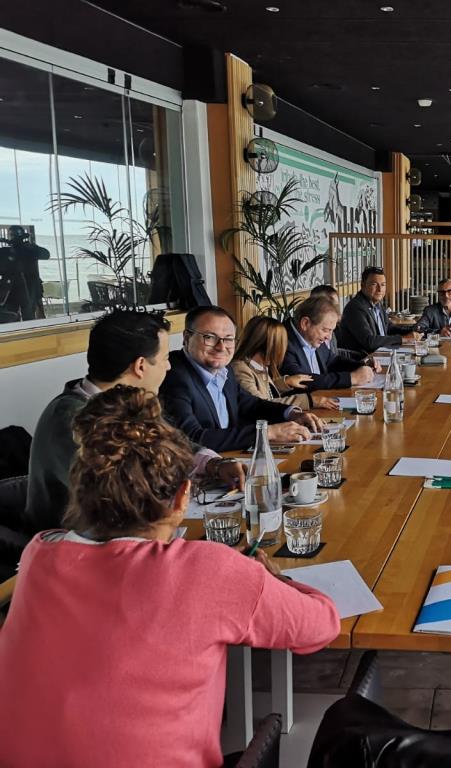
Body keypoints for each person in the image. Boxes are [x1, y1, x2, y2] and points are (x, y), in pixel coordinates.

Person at [0, 386, 340, 767]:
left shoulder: (38, 554)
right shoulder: (209, 569)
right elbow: (321, 625)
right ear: (182, 498)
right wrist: (275, 580)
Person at [24, 309, 244, 534]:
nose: (169, 367)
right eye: (165, 359)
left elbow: (176, 442)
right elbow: (119, 498)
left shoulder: (132, 404)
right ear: (140, 366)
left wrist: (214, 465)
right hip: (78, 549)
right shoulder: (72, 420)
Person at [161, 305, 321, 452]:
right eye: (209, 337)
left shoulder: (225, 370)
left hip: (232, 462)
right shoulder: (174, 377)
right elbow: (191, 438)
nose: (221, 347)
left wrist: (291, 414)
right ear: (187, 337)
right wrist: (267, 432)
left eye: (229, 339)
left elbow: (250, 404)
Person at [231, 315, 342, 410]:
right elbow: (262, 405)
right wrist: (310, 400)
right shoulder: (240, 369)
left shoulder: (260, 365)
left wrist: (286, 382)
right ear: (270, 346)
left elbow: (265, 391)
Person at [281, 296, 377, 391]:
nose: (329, 337)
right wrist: (352, 378)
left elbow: (333, 361)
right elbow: (302, 381)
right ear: (305, 323)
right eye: (326, 330)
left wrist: (361, 365)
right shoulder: (283, 341)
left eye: (331, 331)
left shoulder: (312, 335)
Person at [336, 266, 419, 355]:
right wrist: (404, 339)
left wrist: (413, 329)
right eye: (374, 284)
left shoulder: (377, 304)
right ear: (363, 285)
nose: (380, 289)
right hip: (363, 360)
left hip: (381, 354)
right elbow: (369, 341)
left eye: (383, 285)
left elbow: (389, 328)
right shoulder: (355, 308)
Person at [309, 284, 341, 354]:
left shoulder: (331, 329)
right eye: (331, 305)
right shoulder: (314, 337)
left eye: (336, 305)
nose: (335, 309)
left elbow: (333, 355)